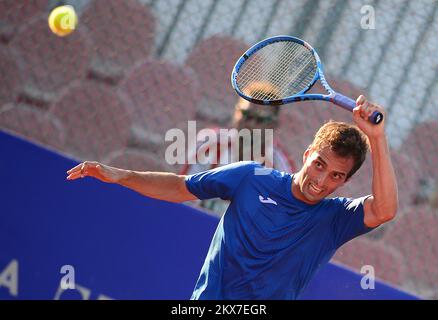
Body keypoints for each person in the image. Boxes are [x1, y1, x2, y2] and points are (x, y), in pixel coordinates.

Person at [66, 95, 398, 300]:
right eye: (319, 165)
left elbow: (384, 209)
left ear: (344, 182)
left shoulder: (335, 218)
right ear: (308, 154)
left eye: (336, 176)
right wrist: (122, 175)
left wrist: (378, 139)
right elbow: (179, 186)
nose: (321, 180)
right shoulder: (251, 177)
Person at [180, 81, 296, 217]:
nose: (251, 124)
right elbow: (183, 195)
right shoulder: (209, 144)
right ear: (236, 112)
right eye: (246, 115)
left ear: (274, 125)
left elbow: (280, 217)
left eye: (260, 119)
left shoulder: (281, 167)